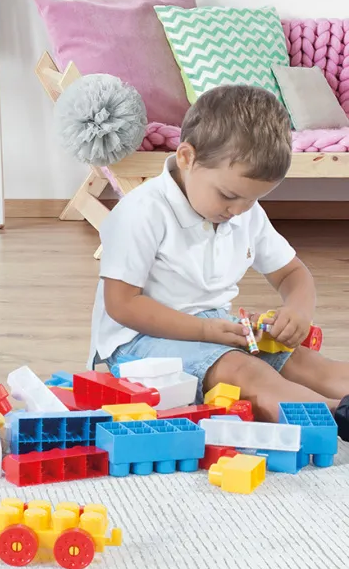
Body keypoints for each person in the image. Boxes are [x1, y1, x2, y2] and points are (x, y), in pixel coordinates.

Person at [90, 85, 349, 438]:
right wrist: (205, 331)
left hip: (214, 327)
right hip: (137, 342)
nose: (238, 211)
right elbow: (122, 305)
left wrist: (297, 311)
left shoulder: (242, 210)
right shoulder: (141, 212)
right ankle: (335, 416)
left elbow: (292, 273)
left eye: (252, 200)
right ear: (187, 157)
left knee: (302, 361)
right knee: (243, 371)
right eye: (228, 195)